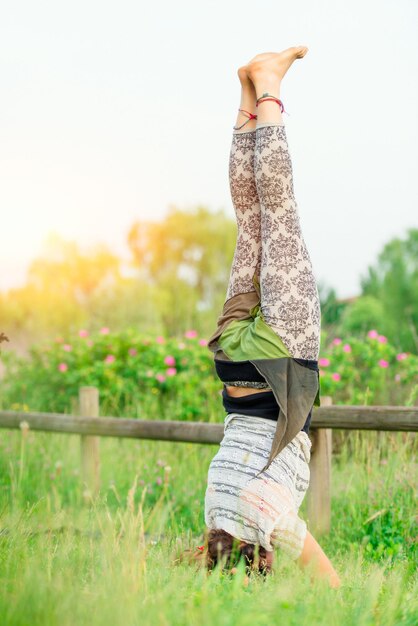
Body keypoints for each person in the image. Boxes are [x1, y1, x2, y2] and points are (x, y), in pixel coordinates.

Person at [203, 47, 341, 589]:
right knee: (252, 221)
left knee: (279, 215)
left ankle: (268, 87)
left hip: (279, 362)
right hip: (234, 358)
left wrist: (348, 603)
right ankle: (246, 93)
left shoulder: (267, 521)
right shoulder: (214, 514)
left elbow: (331, 583)